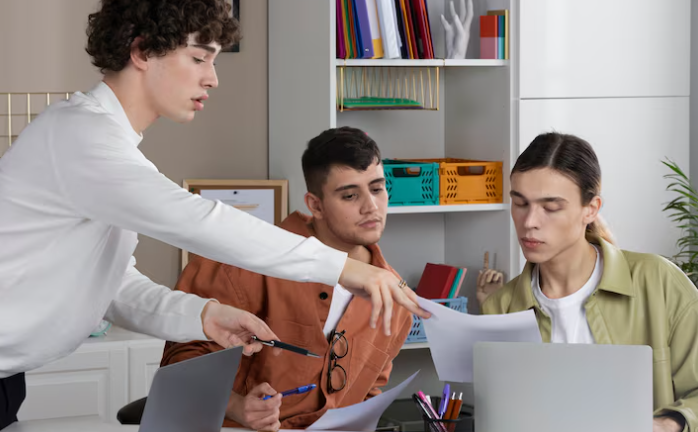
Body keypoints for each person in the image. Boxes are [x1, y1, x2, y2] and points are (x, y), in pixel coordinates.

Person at [0, 1, 427, 429]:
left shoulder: (106, 148)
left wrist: (203, 316)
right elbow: (198, 221)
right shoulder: (80, 137)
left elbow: (113, 288)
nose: (213, 77)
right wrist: (346, 270)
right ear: (142, 52)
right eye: (199, 57)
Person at [160, 127, 413, 431]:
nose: (370, 206)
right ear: (315, 205)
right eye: (350, 195)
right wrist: (237, 406)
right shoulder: (240, 263)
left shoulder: (395, 296)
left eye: (377, 188)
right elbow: (181, 363)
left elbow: (368, 392)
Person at [481, 132, 698, 432]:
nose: (529, 221)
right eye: (520, 203)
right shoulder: (499, 309)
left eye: (551, 207)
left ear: (591, 209)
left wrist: (666, 424)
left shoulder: (659, 282)